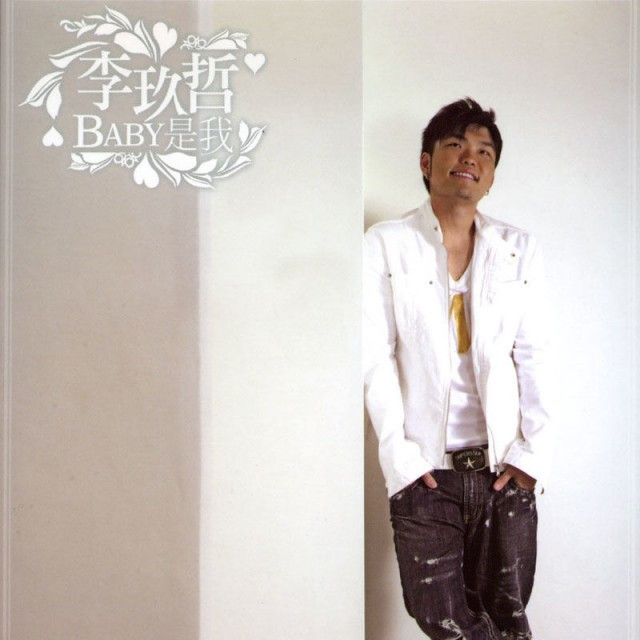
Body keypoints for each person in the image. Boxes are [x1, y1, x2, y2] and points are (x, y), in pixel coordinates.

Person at [363, 98, 553, 640]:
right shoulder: (387, 244)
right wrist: (401, 462)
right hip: (425, 473)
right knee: (444, 620)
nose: (470, 158)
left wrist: (531, 456)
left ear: (490, 177)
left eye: (484, 152)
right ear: (427, 162)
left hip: (503, 471)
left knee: (509, 621)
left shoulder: (519, 250)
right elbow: (374, 358)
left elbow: (534, 355)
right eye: (455, 145)